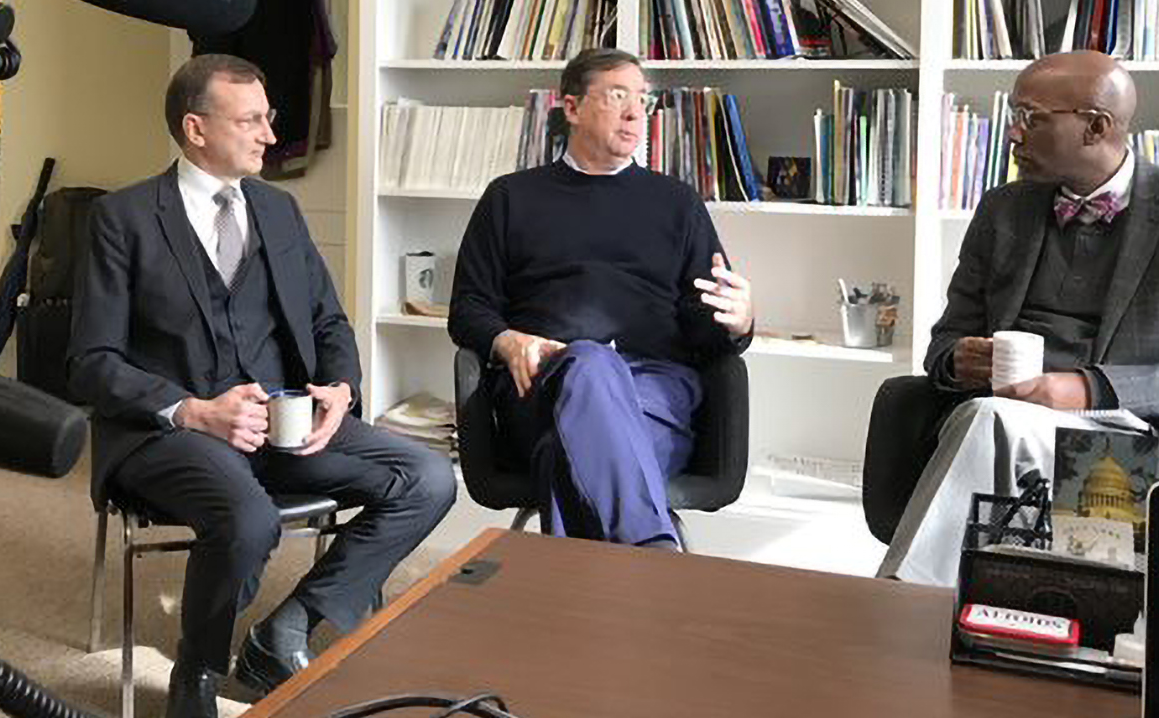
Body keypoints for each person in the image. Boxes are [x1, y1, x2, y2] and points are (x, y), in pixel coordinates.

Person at [69, 54, 456, 718]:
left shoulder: (280, 211)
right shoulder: (122, 217)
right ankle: (197, 675)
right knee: (247, 519)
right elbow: (90, 362)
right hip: (171, 432)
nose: (270, 136)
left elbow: (328, 321)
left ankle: (286, 629)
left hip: (286, 424)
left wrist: (340, 387)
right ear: (196, 128)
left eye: (268, 118)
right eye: (251, 120)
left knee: (429, 477)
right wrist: (192, 410)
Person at [871, 50, 1159, 585]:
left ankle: (904, 596)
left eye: (1030, 118)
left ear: (1095, 127)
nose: (1012, 134)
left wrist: (1086, 389)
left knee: (986, 419)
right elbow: (943, 344)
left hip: (1119, 433)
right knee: (987, 416)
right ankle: (988, 609)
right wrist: (957, 361)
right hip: (997, 413)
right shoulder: (1002, 210)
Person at [448, 47, 754, 550]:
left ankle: (609, 595)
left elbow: (704, 327)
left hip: (654, 395)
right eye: (617, 96)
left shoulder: (676, 203)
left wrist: (738, 322)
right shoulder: (511, 198)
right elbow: (468, 310)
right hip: (544, 387)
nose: (636, 113)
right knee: (589, 361)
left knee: (563, 458)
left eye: (642, 100)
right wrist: (506, 341)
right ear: (571, 108)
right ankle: (655, 553)